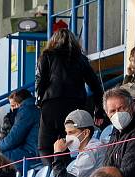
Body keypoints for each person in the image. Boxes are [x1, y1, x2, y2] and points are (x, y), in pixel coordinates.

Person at [35, 28, 105, 159]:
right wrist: (98, 110)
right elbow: (95, 85)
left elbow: (40, 81)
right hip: (75, 105)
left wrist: (39, 101)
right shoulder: (81, 59)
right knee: (71, 143)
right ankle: (66, 171)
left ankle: (54, 172)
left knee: (45, 146)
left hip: (51, 104)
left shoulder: (47, 56)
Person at [0, 89, 40, 162]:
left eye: (13, 105)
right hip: (33, 150)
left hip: (32, 153)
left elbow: (13, 139)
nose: (12, 109)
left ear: (18, 104)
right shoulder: (33, 106)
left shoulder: (26, 110)